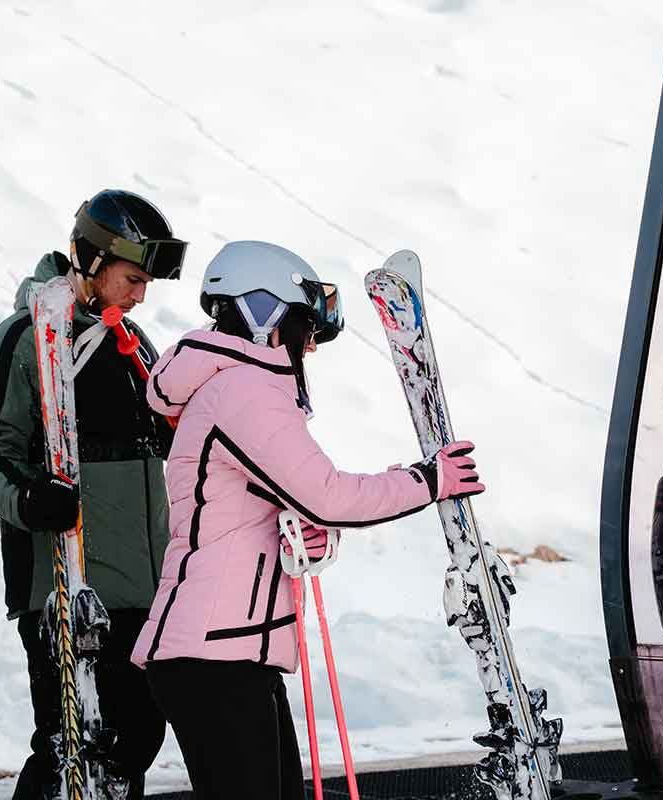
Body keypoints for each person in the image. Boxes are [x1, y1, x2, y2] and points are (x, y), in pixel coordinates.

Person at [131, 240, 484, 799]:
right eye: (307, 329)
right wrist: (428, 481)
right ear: (266, 315)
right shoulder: (242, 392)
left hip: (230, 652)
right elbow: (328, 495)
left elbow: (272, 509)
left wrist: (299, 537)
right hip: (213, 656)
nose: (311, 347)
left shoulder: (237, 387)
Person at [0, 190, 188, 800]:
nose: (140, 294)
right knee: (73, 744)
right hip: (65, 584)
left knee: (136, 737)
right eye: (132, 278)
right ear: (90, 261)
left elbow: (171, 443)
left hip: (144, 587)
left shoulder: (133, 344)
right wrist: (30, 500)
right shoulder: (22, 339)